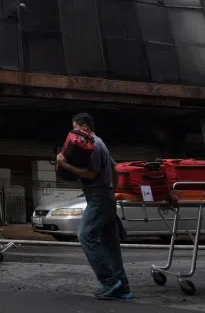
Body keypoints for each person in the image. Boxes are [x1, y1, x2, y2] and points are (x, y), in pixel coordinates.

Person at [56, 112, 132, 300]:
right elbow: (115, 168)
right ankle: (122, 287)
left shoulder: (94, 145)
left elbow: (91, 174)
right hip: (104, 195)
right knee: (110, 243)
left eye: (75, 128)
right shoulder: (101, 143)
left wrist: (66, 166)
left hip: (98, 196)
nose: (73, 133)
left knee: (85, 234)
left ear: (84, 128)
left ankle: (108, 280)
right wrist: (112, 191)